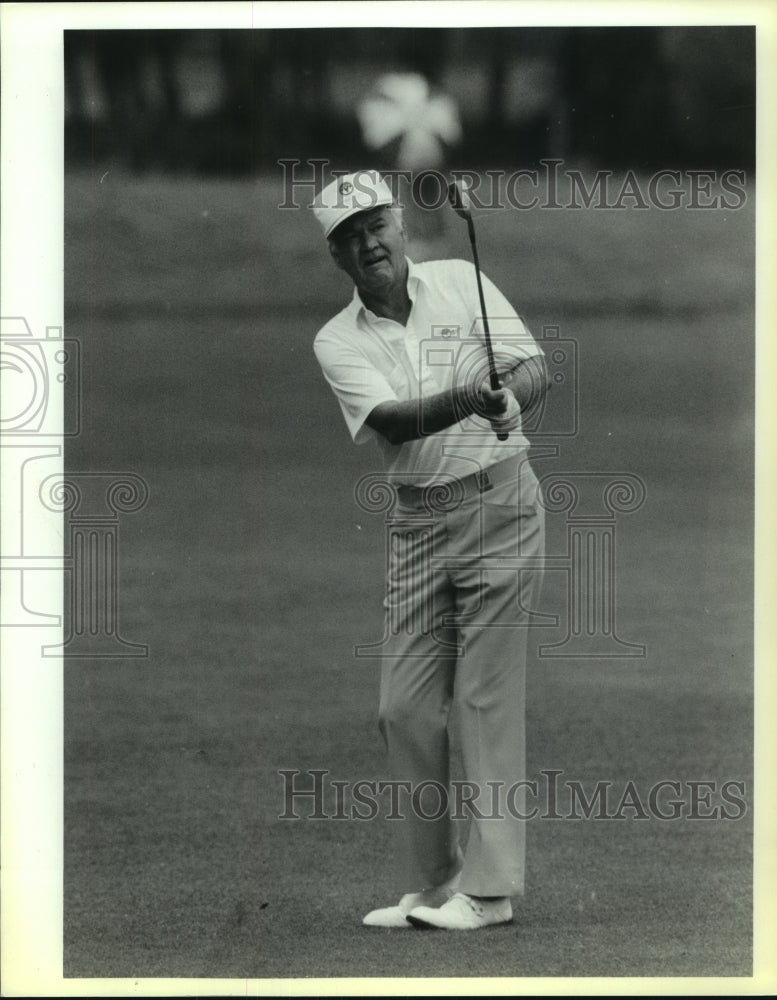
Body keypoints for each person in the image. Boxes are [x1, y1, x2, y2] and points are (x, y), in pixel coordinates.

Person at [311, 170, 549, 931]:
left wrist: (510, 397)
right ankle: (430, 881)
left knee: (483, 699)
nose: (369, 244)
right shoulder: (337, 339)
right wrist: (469, 397)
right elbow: (393, 420)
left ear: (400, 226)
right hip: (417, 525)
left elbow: (533, 367)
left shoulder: (459, 280)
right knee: (403, 708)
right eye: (350, 238)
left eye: (376, 226)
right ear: (336, 256)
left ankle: (489, 892)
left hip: (501, 506)